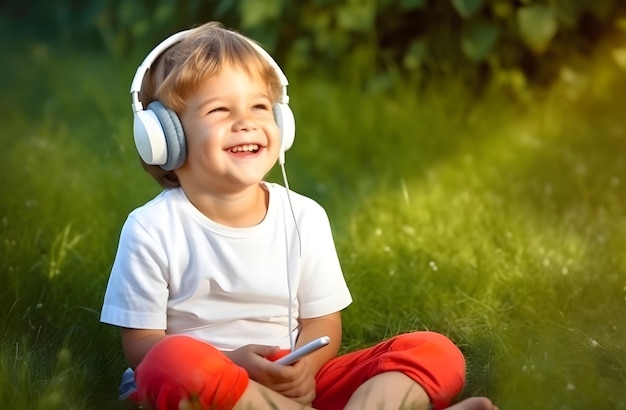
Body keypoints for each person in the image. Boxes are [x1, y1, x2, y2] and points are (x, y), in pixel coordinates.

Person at [100, 21, 498, 410]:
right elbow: (142, 347)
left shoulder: (303, 216)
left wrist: (304, 370)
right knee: (169, 362)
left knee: (433, 350)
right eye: (219, 110)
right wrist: (233, 363)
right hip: (212, 386)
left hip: (290, 381)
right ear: (165, 138)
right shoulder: (151, 229)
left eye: (259, 106)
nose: (247, 122)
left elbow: (323, 324)